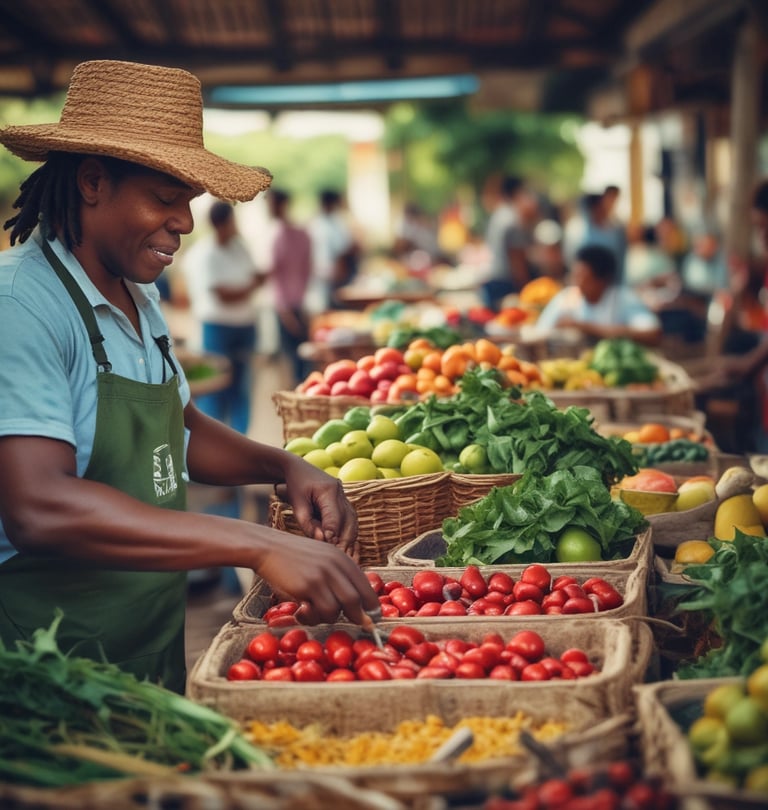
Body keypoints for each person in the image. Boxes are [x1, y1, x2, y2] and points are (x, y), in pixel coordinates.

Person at [0, 59, 378, 694]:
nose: (185, 223)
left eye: (189, 202)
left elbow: (180, 430)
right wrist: (257, 545)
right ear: (92, 182)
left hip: (146, 654)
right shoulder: (21, 304)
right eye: (165, 198)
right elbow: (39, 506)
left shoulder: (135, 296)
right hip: (46, 671)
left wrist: (284, 466)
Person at [180, 199, 261, 434]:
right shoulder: (205, 254)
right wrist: (248, 287)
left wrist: (246, 288)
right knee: (214, 385)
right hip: (217, 327)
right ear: (222, 223)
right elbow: (224, 295)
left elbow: (254, 279)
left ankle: (240, 436)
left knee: (241, 386)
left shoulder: (239, 248)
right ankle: (213, 438)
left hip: (244, 325)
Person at [533, 244, 662, 347]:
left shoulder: (623, 299)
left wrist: (584, 327)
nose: (577, 282)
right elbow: (539, 333)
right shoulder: (566, 298)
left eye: (583, 277)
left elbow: (652, 333)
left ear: (603, 280)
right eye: (575, 275)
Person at [265, 188, 313, 386]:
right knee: (299, 361)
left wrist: (285, 310)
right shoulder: (300, 234)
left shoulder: (279, 236)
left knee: (293, 362)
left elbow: (276, 274)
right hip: (296, 305)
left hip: (289, 307)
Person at [481, 175, 540, 310]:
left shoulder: (499, 214)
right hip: (506, 285)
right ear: (518, 192)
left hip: (494, 281)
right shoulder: (513, 220)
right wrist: (527, 293)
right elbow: (517, 263)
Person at [307, 189, 359, 313]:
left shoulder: (318, 223)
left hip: (326, 274)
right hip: (330, 275)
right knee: (332, 309)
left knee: (329, 308)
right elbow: (343, 249)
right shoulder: (332, 223)